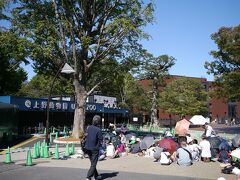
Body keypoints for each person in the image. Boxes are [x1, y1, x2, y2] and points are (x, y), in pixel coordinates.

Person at [85, 115, 103, 180]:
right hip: (94, 148)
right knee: (93, 164)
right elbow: (101, 140)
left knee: (93, 163)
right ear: (98, 122)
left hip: (87, 147)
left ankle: (96, 176)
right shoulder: (98, 130)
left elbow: (87, 135)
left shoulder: (89, 128)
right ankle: (88, 177)